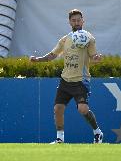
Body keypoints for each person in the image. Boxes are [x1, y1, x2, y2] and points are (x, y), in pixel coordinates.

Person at [30, 9, 103, 144]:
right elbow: (53, 55)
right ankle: (60, 138)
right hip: (65, 80)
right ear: (70, 22)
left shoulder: (89, 38)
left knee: (82, 109)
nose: (76, 22)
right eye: (73, 20)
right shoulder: (65, 39)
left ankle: (97, 132)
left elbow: (93, 56)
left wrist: (97, 58)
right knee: (58, 109)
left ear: (83, 21)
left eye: (78, 20)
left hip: (81, 80)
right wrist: (38, 59)